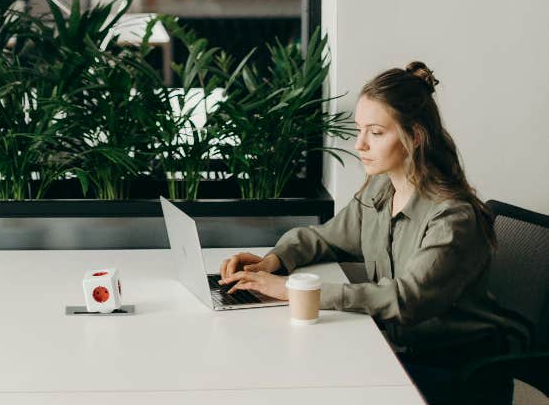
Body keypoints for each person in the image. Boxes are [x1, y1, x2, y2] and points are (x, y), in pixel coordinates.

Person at [219, 61, 530, 405]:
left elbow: (404, 300)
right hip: (401, 351)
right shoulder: (380, 190)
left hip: (457, 371)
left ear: (414, 136)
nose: (360, 144)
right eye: (359, 129)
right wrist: (273, 262)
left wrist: (294, 291)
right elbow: (326, 238)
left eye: (376, 132)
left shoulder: (452, 217)